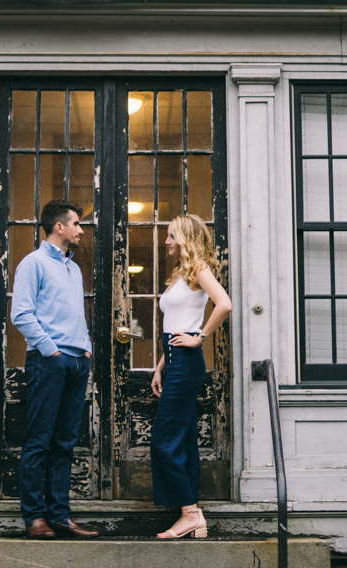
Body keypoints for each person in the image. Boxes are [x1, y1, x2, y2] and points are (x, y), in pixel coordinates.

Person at [10, 200, 99, 541]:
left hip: (77, 362)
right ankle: (35, 518)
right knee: (39, 442)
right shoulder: (33, 264)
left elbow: (75, 312)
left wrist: (85, 347)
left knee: (64, 443)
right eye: (76, 224)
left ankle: (60, 516)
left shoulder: (73, 269)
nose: (80, 230)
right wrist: (50, 350)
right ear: (58, 227)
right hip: (49, 361)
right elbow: (21, 314)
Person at [150, 214, 232, 540]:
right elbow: (174, 324)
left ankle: (189, 513)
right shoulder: (181, 273)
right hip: (174, 361)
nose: (167, 241)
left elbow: (224, 304)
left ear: (185, 238)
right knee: (183, 441)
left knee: (163, 442)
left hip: (187, 361)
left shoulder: (199, 268)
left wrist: (201, 336)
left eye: (171, 236)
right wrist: (160, 366)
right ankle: (193, 515)